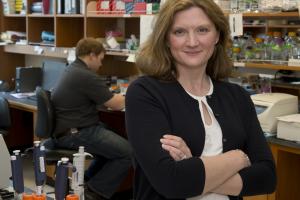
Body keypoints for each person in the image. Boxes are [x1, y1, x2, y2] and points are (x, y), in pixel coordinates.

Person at [125, 0, 276, 200]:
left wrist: (192, 165)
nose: (192, 42)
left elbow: (267, 178)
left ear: (217, 36)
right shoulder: (145, 93)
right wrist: (238, 158)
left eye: (202, 30)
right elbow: (171, 182)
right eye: (179, 32)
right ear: (166, 39)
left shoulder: (237, 96)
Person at [51, 38, 133, 200]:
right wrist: (135, 92)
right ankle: (93, 192)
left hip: (67, 129)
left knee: (111, 146)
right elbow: (116, 105)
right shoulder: (86, 76)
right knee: (129, 153)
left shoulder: (72, 69)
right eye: (101, 59)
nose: (101, 65)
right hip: (76, 132)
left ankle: (86, 183)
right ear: (92, 56)